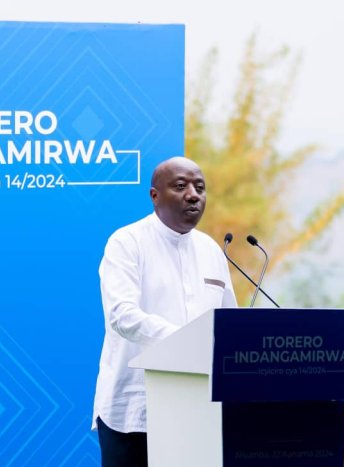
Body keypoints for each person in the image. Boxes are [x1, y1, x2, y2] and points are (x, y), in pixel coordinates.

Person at [92, 156, 237, 467]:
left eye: (200, 188)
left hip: (199, 410)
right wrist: (188, 342)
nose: (193, 195)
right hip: (134, 410)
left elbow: (230, 324)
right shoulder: (127, 242)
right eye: (181, 186)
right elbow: (122, 316)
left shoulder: (211, 250)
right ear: (155, 196)